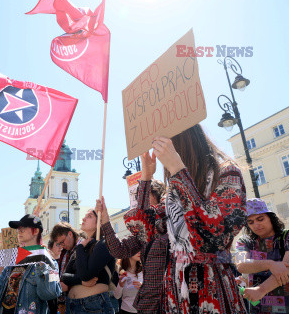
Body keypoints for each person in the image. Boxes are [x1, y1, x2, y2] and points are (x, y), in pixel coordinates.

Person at [106, 126, 248, 313]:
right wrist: (146, 176)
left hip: (211, 284)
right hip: (175, 291)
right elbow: (142, 230)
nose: (165, 156)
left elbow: (215, 236)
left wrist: (177, 169)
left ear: (186, 140)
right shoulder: (172, 193)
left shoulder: (227, 173)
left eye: (169, 146)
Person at [96, 180, 167, 314]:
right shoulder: (143, 232)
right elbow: (118, 250)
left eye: (145, 196)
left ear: (159, 197)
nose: (140, 203)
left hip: (172, 299)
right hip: (149, 304)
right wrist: (105, 219)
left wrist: (146, 174)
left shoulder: (173, 223)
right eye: (138, 198)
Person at [0, 214, 62, 314]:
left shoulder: (49, 261)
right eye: (18, 229)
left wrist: (42, 266)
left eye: (23, 228)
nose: (19, 231)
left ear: (36, 231)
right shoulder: (14, 261)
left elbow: (49, 294)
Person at [235, 198, 289, 313]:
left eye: (260, 219)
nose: (256, 225)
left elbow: (288, 269)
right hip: (259, 309)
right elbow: (241, 264)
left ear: (271, 218)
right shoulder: (244, 241)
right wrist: (270, 264)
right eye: (250, 222)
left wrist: (260, 290)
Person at [61, 209, 116, 314]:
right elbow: (65, 276)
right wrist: (81, 282)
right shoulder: (83, 246)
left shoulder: (104, 244)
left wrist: (80, 247)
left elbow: (86, 275)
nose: (83, 218)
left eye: (89, 216)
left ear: (99, 223)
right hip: (72, 305)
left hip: (94, 305)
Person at [51, 222, 82, 314]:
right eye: (59, 244)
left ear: (70, 234)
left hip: (79, 301)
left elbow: (87, 277)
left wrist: (68, 286)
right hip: (65, 302)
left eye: (62, 242)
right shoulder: (65, 252)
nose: (61, 246)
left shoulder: (83, 247)